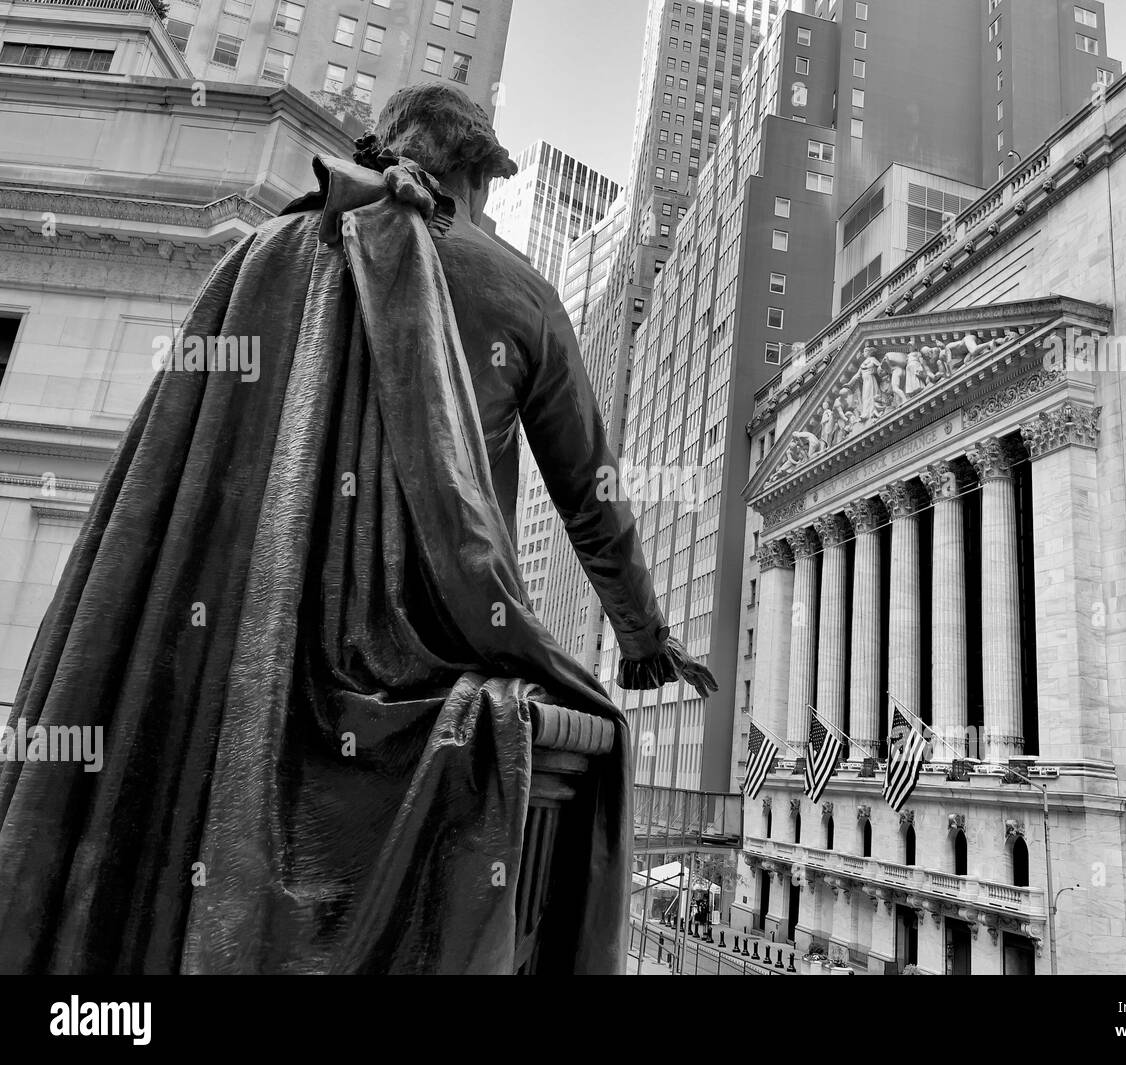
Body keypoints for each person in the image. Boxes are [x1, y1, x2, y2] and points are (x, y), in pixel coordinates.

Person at [0, 83, 715, 975]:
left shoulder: (265, 254)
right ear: (479, 178)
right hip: (433, 639)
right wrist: (642, 638)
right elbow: (592, 498)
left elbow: (169, 482)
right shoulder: (521, 291)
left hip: (236, 645)